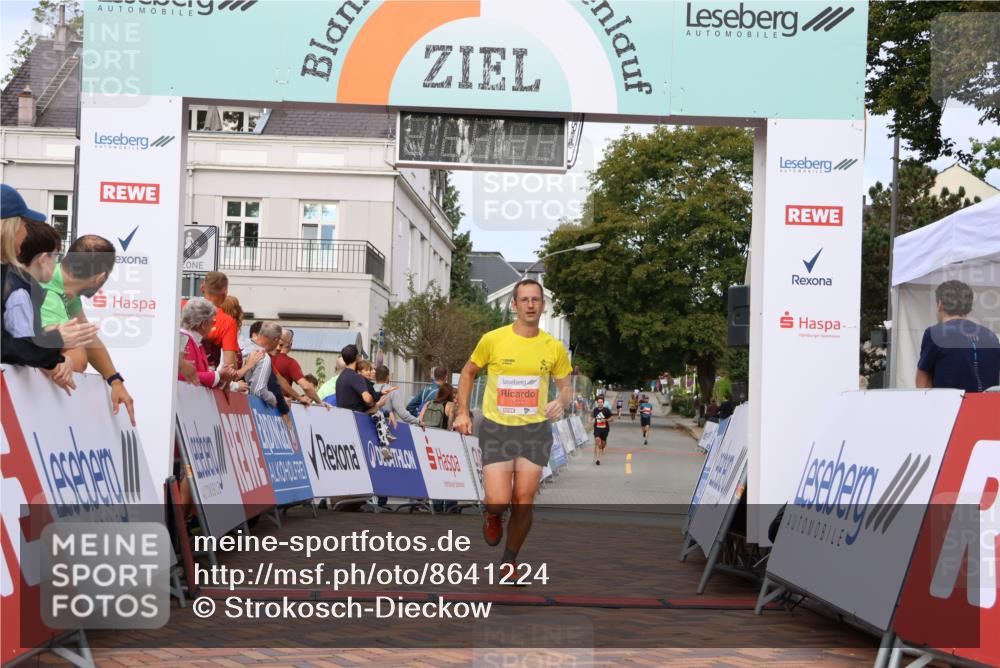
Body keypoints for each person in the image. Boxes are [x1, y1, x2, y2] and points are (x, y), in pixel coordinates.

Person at [453, 279, 572, 578]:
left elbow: (566, 386)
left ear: (543, 306)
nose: (531, 305)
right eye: (525, 300)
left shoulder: (553, 347)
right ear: (514, 304)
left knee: (523, 500)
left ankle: (509, 562)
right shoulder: (493, 339)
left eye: (536, 300)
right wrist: (462, 412)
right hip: (497, 429)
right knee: (498, 500)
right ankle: (492, 515)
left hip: (534, 431)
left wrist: (561, 401)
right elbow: (468, 373)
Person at [38, 233, 135, 425]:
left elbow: (87, 337)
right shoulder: (48, 292)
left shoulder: (67, 289)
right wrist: (68, 360)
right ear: (100, 277)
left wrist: (115, 380)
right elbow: (79, 358)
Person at [2, 217, 94, 393]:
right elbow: (20, 347)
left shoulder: (24, 287)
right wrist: (58, 355)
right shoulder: (19, 291)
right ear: (44, 259)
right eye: (56, 256)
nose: (57, 264)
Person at [917, 280, 1000, 392]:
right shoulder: (991, 336)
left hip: (950, 407)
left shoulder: (935, 333)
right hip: (986, 407)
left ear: (940, 304)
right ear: (968, 306)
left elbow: (923, 381)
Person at [178, 298, 240, 389]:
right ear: (203, 324)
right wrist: (219, 375)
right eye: (212, 320)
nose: (214, 323)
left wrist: (221, 376)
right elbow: (185, 376)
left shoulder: (194, 341)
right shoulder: (184, 340)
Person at [272, 328, 330, 406]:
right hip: (279, 406)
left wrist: (297, 397)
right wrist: (319, 402)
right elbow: (306, 386)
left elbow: (281, 381)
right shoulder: (291, 363)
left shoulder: (265, 356)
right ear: (290, 344)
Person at [197, 271, 241, 368]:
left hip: (178, 375)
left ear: (202, 288)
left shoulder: (182, 308)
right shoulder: (228, 321)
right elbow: (230, 365)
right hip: (207, 379)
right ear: (225, 292)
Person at [357, 359, 396, 461]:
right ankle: (385, 441)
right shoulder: (364, 383)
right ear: (359, 372)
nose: (371, 372)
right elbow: (372, 398)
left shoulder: (367, 383)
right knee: (378, 414)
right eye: (368, 370)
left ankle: (385, 437)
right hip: (362, 413)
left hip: (364, 411)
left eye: (371, 369)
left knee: (379, 414)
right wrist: (381, 396)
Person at [241, 320, 281, 407]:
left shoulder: (239, 345)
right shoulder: (263, 356)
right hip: (241, 405)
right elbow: (258, 390)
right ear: (276, 339)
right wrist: (274, 399)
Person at [588, 395, 614, 465]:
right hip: (597, 428)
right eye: (598, 402)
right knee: (597, 441)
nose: (600, 403)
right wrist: (589, 421)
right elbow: (591, 416)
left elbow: (612, 418)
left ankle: (603, 446)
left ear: (603, 402)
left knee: (603, 443)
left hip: (605, 429)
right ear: (597, 403)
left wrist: (605, 419)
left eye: (601, 402)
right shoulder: (595, 410)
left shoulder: (606, 410)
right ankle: (598, 459)